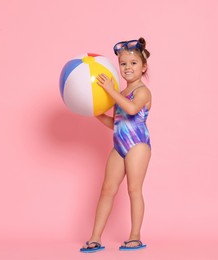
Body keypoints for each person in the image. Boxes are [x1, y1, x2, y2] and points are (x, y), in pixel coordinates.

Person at [80, 37, 152, 253]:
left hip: (138, 145)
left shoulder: (142, 92)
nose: (127, 68)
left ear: (143, 66)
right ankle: (95, 237)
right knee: (107, 190)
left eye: (133, 63)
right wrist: (95, 113)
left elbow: (131, 110)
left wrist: (110, 91)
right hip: (119, 145)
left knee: (133, 189)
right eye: (123, 64)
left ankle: (135, 236)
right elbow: (117, 123)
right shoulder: (119, 94)